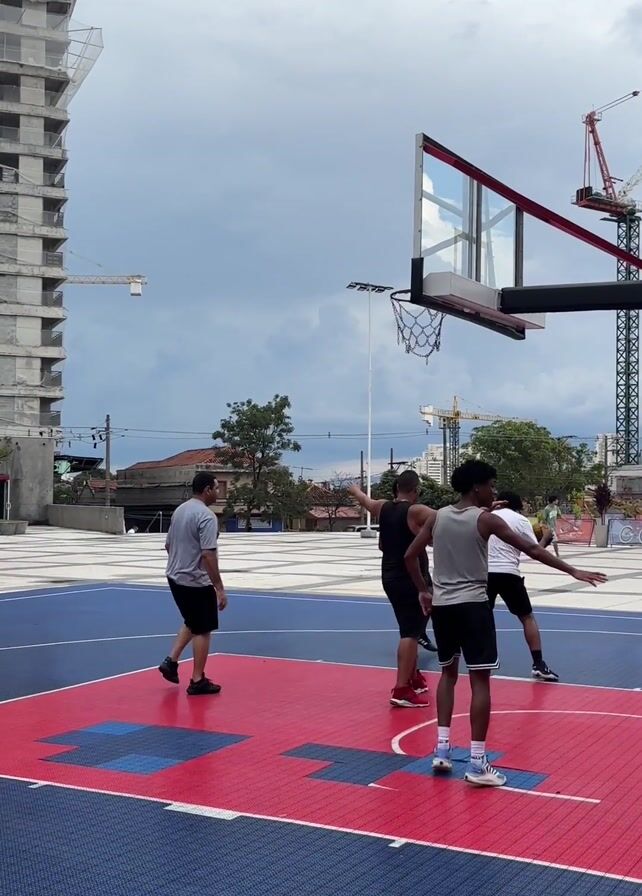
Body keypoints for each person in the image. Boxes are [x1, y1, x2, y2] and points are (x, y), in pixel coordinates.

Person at [405, 460, 606, 787]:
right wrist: (572, 570)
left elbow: (409, 556)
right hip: (473, 607)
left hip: (443, 608)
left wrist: (424, 591)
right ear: (477, 487)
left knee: (447, 675)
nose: (494, 490)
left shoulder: (438, 517)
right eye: (491, 485)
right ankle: (477, 763)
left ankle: (441, 749)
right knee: (480, 682)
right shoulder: (486, 520)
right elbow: (531, 549)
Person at [349, 470, 436, 708]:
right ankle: (402, 689)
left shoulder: (382, 507)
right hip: (411, 577)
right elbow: (450, 517)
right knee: (410, 633)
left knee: (410, 628)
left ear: (396, 488)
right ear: (416, 490)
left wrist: (355, 490)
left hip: (389, 576)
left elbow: (365, 501)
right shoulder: (416, 511)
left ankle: (412, 675)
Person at [158, 472, 227, 695]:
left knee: (193, 619)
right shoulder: (206, 516)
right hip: (194, 581)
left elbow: (168, 545)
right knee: (203, 629)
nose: (218, 492)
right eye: (216, 488)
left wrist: (181, 560)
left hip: (175, 577)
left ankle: (171, 661)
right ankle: (197, 679)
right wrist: (219, 587)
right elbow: (208, 554)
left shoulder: (180, 510)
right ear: (207, 490)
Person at [487, 491, 558, 682]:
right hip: (508, 572)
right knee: (527, 617)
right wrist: (546, 538)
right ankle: (538, 663)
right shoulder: (520, 520)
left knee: (484, 617)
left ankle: (485, 660)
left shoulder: (484, 516)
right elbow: (535, 551)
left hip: (484, 573)